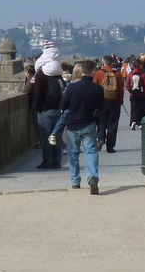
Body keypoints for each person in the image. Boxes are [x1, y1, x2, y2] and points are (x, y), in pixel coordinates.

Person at [55, 60, 105, 194]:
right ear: (93, 72)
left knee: (73, 153)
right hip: (89, 124)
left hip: (73, 125)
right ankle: (92, 177)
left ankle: (75, 180)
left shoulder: (71, 88)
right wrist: (101, 133)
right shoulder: (98, 89)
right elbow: (101, 110)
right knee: (91, 152)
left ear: (82, 71)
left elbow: (63, 106)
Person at [32, 53, 64, 170]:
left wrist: (37, 107)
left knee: (46, 136)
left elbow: (38, 93)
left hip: (45, 109)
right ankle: (57, 161)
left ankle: (48, 161)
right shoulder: (57, 74)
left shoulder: (41, 74)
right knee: (57, 136)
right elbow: (63, 88)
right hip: (58, 109)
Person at [93, 55, 125, 153]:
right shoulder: (117, 74)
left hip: (102, 102)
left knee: (101, 122)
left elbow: (95, 88)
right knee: (113, 124)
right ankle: (110, 147)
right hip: (114, 102)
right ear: (112, 63)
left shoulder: (98, 73)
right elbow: (121, 89)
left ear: (103, 63)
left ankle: (101, 139)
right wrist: (120, 100)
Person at [127, 59, 145, 129]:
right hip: (142, 95)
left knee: (134, 108)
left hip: (133, 95)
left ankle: (133, 121)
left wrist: (130, 91)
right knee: (142, 108)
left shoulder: (130, 74)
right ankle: (140, 123)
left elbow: (127, 84)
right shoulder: (143, 75)